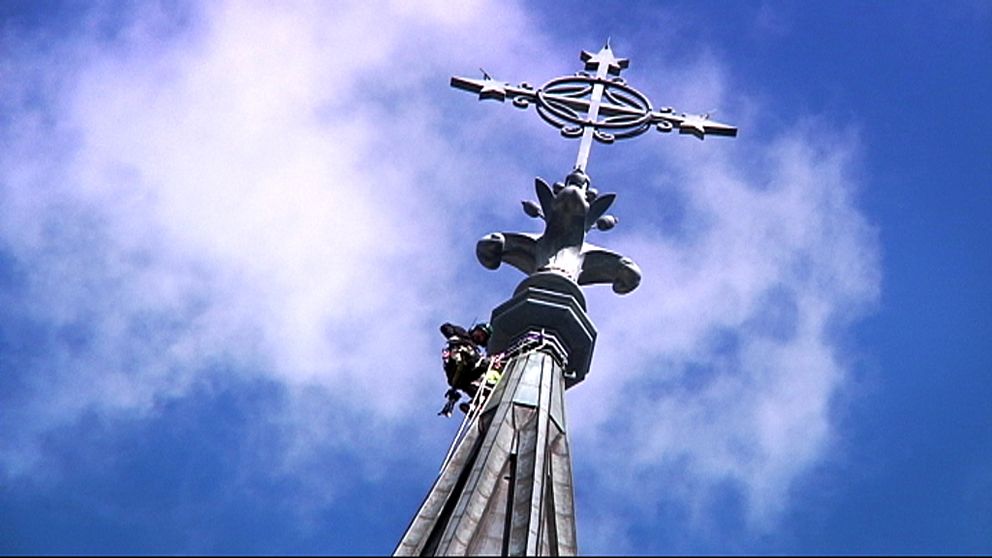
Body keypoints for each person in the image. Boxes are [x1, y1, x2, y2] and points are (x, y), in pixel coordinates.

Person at [437, 322, 492, 417]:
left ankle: (473, 405)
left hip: (465, 377)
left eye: (482, 336)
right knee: (473, 358)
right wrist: (452, 335)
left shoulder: (477, 352)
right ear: (475, 330)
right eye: (479, 333)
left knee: (485, 384)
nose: (479, 336)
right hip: (456, 363)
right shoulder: (462, 335)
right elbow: (444, 327)